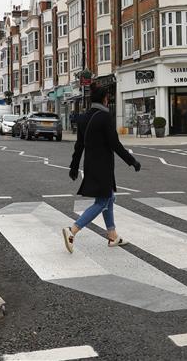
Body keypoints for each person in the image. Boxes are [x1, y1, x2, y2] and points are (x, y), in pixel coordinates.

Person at [63, 84, 141, 253]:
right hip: (103, 166)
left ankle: (112, 236)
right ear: (104, 99)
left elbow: (79, 146)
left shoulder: (83, 118)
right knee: (102, 201)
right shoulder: (105, 117)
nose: (108, 100)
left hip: (90, 165)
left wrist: (74, 167)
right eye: (107, 98)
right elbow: (115, 144)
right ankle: (72, 230)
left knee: (108, 198)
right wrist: (132, 161)